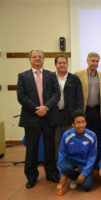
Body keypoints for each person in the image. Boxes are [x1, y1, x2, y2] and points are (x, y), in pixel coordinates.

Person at [17, 49, 60, 188]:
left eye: (40, 57)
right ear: (29, 59)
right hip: (31, 117)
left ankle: (51, 173)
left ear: (44, 59)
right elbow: (21, 96)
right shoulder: (23, 76)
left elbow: (56, 94)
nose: (37, 59)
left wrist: (45, 107)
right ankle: (31, 176)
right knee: (31, 149)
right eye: (34, 57)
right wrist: (37, 108)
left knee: (50, 148)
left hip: (49, 116)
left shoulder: (51, 75)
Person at [75, 52, 101, 166]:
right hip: (84, 111)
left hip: (97, 111)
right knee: (83, 137)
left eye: (97, 61)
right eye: (92, 61)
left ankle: (97, 164)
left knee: (97, 138)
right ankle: (83, 164)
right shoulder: (78, 74)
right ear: (87, 61)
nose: (94, 63)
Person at [57, 110, 97, 192]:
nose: (81, 125)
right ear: (73, 124)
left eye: (83, 122)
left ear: (86, 123)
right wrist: (62, 174)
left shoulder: (92, 135)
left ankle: (82, 175)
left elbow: (92, 156)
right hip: (71, 160)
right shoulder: (66, 135)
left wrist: (84, 173)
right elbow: (62, 153)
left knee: (87, 187)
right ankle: (75, 178)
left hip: (84, 162)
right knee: (65, 168)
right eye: (78, 122)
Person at [54, 54, 83, 163]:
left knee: (71, 142)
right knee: (56, 142)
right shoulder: (50, 78)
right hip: (54, 116)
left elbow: (79, 99)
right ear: (55, 65)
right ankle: (59, 167)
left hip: (70, 116)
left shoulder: (74, 79)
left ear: (67, 64)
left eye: (64, 63)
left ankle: (71, 167)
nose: (62, 65)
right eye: (60, 63)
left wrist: (76, 117)